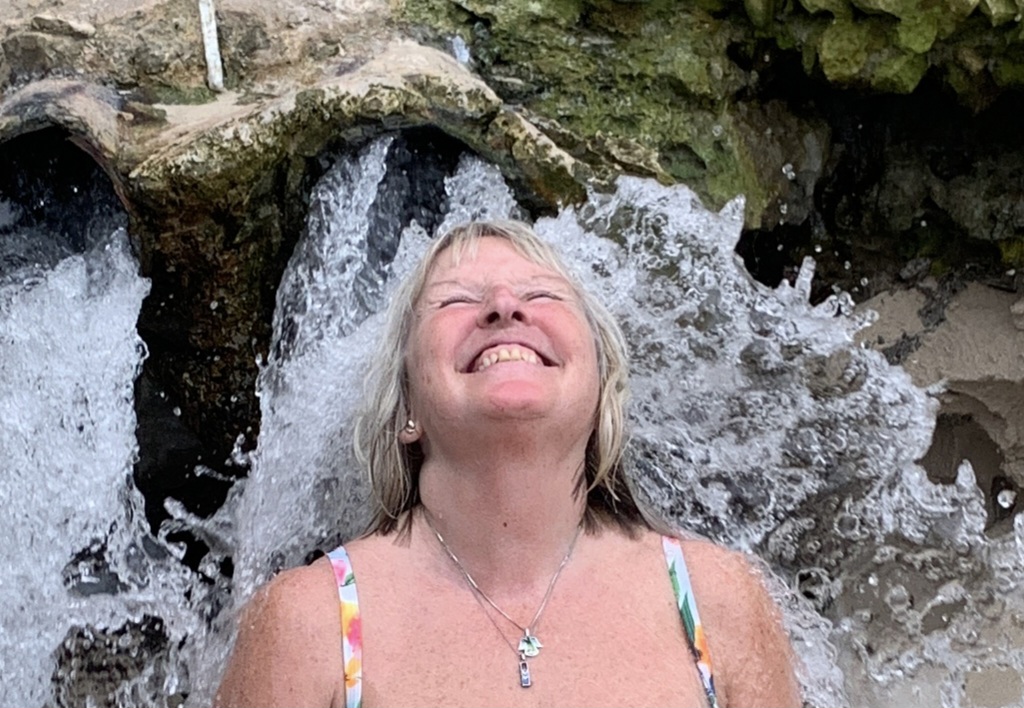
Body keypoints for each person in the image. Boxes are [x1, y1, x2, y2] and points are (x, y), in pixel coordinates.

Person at [213, 220, 801, 708]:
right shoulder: (306, 624)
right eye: (457, 300)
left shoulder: (717, 600)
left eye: (541, 294)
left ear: (600, 389)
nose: (502, 306)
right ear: (407, 406)